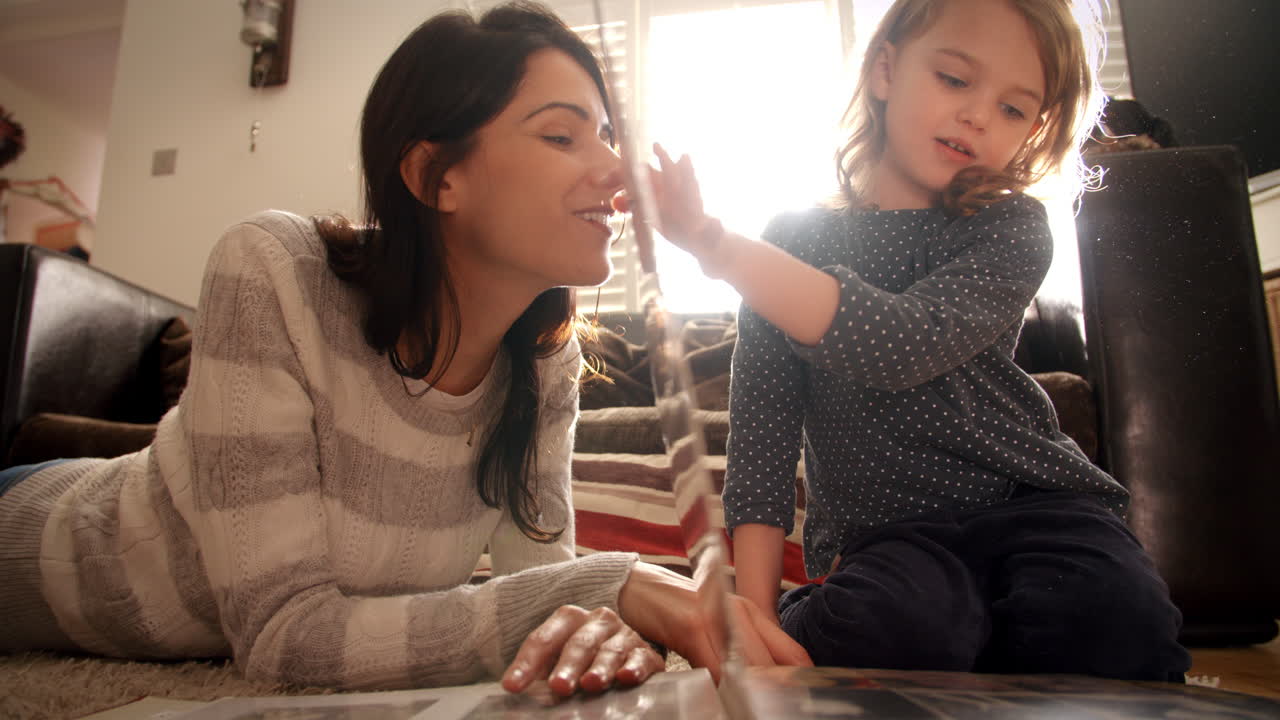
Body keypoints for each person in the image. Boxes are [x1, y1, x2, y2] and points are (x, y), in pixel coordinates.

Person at [0, 1, 808, 694]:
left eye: (607, 135)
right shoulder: (275, 270)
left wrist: (584, 625)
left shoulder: (542, 364)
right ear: (434, 175)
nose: (617, 170)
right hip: (35, 530)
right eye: (563, 137)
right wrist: (615, 584)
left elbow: (539, 587)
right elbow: (282, 637)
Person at [625, 0, 1191, 681]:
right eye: (955, 79)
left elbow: (899, 344)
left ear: (1033, 130)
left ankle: (1001, 640)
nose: (979, 115)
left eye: (1013, 109)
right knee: (895, 629)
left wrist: (716, 245)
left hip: (1036, 505)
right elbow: (764, 434)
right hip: (889, 536)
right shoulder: (792, 241)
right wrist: (758, 617)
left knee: (1120, 620)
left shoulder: (1011, 228)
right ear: (885, 69)